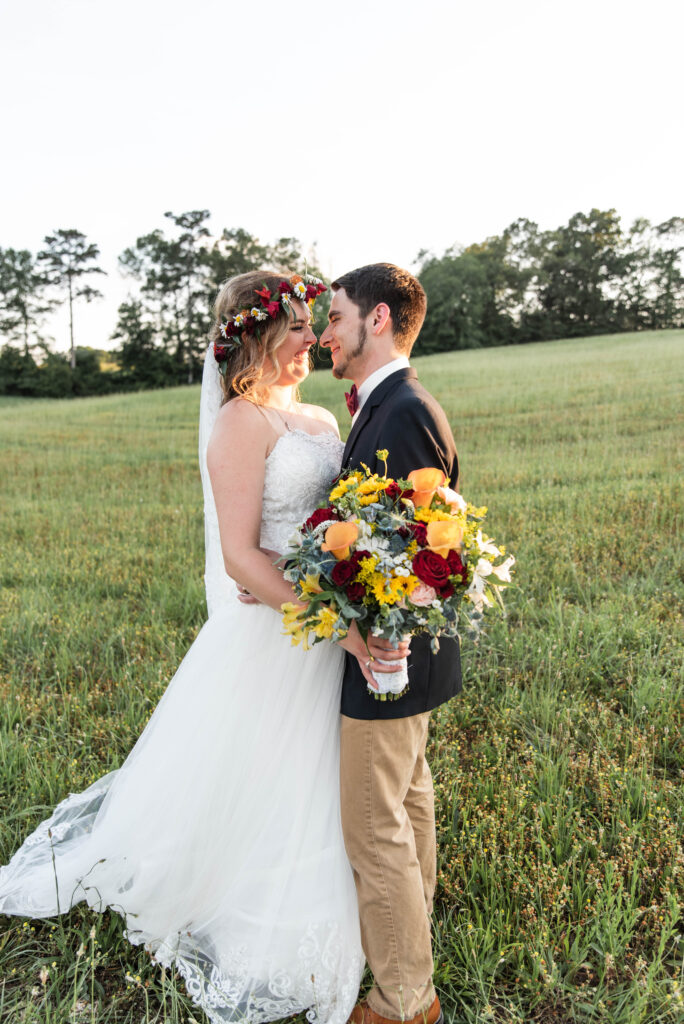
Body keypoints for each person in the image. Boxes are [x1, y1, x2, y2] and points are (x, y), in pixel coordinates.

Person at [0, 269, 404, 1024]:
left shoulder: (320, 417)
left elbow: (343, 525)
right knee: (269, 775)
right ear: (256, 335)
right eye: (295, 328)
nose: (312, 338)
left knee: (330, 774)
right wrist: (333, 622)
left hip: (326, 621)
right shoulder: (239, 425)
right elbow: (242, 559)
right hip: (278, 634)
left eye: (314, 325)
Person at [318, 264, 461, 1024]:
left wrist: (374, 647)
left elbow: (417, 553)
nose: (324, 333)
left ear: (376, 319)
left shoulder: (400, 411)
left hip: (387, 658)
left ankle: (403, 1001)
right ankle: (413, 952)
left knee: (376, 829)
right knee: (406, 806)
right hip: (401, 657)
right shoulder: (393, 404)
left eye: (335, 317)